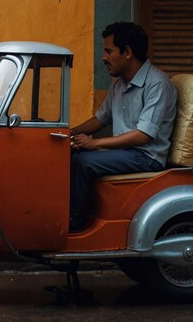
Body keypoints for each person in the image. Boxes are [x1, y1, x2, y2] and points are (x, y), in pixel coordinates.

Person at [69, 22, 177, 231]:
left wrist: (95, 144)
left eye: (109, 51)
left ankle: (75, 224)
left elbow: (144, 135)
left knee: (83, 161)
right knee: (69, 154)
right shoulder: (119, 84)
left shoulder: (157, 83)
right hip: (125, 153)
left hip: (146, 156)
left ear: (127, 52)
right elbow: (100, 119)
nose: (104, 58)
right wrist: (69, 133)